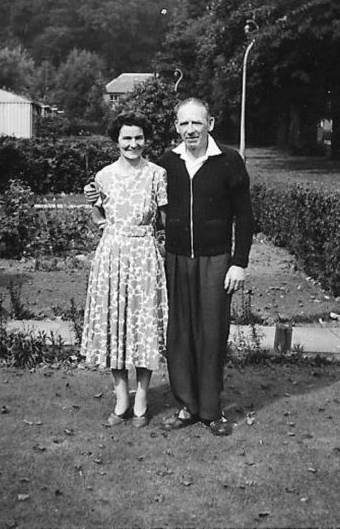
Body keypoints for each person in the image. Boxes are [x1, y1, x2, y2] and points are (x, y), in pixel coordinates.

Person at [159, 97, 253, 437]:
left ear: (210, 123)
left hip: (216, 260)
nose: (190, 130)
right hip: (177, 258)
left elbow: (245, 216)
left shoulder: (228, 161)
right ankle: (187, 406)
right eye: (183, 124)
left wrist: (238, 262)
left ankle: (212, 411)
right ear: (176, 127)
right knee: (180, 333)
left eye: (196, 123)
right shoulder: (168, 162)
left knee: (212, 333)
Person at [81, 111, 168, 429]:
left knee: (144, 328)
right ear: (116, 141)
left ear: (145, 140)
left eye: (138, 137)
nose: (133, 143)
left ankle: (142, 398)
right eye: (126, 138)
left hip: (144, 256)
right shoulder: (103, 177)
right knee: (114, 327)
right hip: (112, 256)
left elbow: (164, 218)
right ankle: (121, 399)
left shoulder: (157, 174)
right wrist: (95, 206)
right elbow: (98, 217)